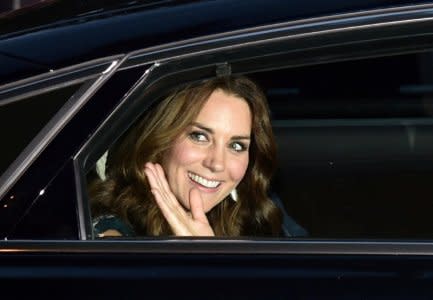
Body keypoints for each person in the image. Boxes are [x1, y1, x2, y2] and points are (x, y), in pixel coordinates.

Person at [89, 75, 282, 237]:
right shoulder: (112, 234)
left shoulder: (257, 216)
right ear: (161, 141)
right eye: (199, 136)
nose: (217, 164)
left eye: (236, 145)